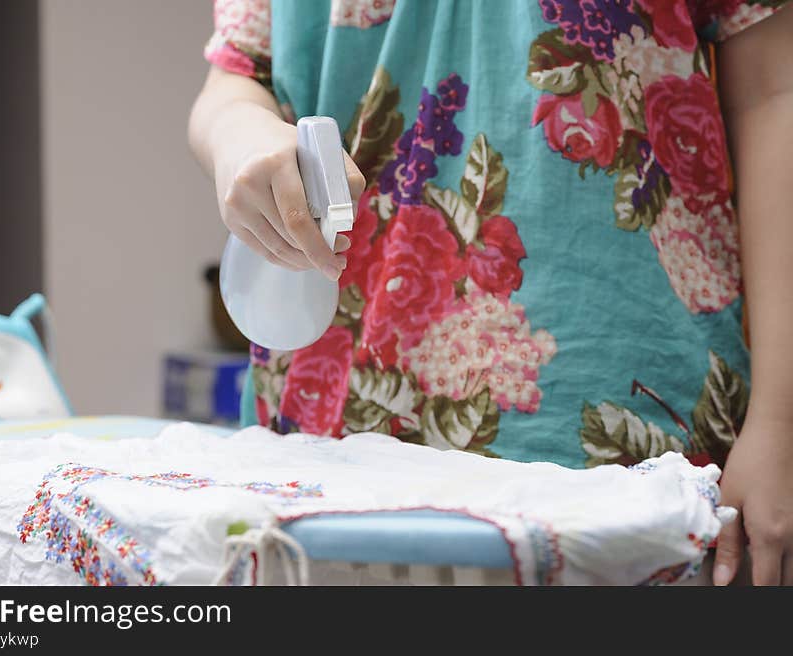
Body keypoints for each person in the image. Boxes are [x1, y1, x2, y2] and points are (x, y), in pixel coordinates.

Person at [189, 0, 792, 585]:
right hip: (326, 438)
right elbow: (237, 79)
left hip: (617, 429)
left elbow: (773, 91)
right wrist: (240, 134)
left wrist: (783, 422)